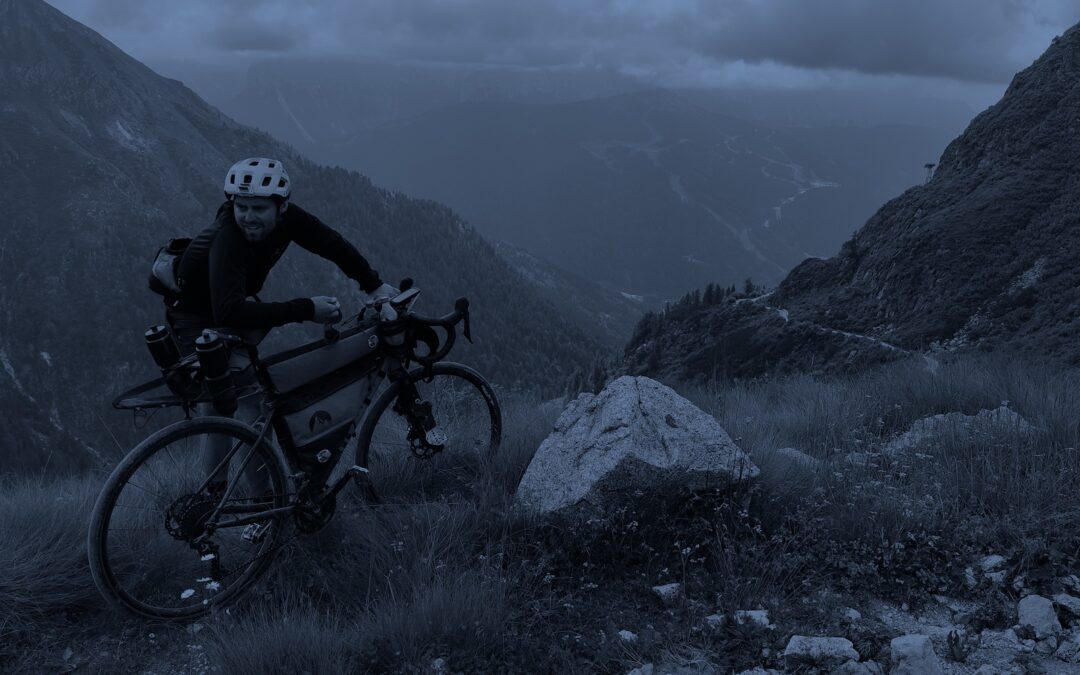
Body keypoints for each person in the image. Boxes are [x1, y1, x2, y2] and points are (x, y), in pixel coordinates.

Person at [164, 157, 398, 493]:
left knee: (220, 404)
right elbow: (229, 311)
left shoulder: (290, 220)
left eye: (258, 208)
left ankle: (213, 497)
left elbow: (331, 243)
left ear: (281, 206)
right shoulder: (229, 237)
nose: (247, 216)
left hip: (224, 314)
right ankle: (263, 507)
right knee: (251, 405)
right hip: (197, 322)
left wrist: (372, 284)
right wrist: (306, 308)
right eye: (241, 206)